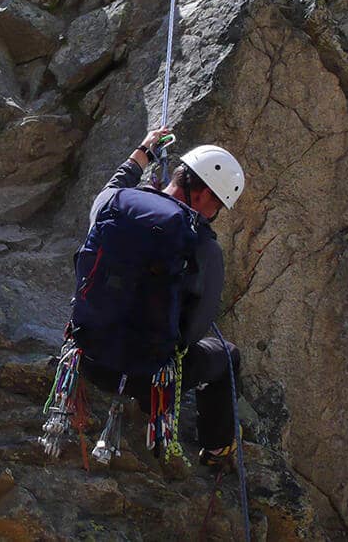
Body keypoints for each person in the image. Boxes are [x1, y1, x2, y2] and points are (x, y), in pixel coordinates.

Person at [76, 126, 245, 465]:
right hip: (146, 377)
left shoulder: (118, 204)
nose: (213, 216)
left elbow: (106, 194)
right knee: (228, 356)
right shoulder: (203, 247)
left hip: (88, 357)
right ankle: (217, 449)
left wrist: (143, 153)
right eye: (218, 207)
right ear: (205, 196)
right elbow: (193, 332)